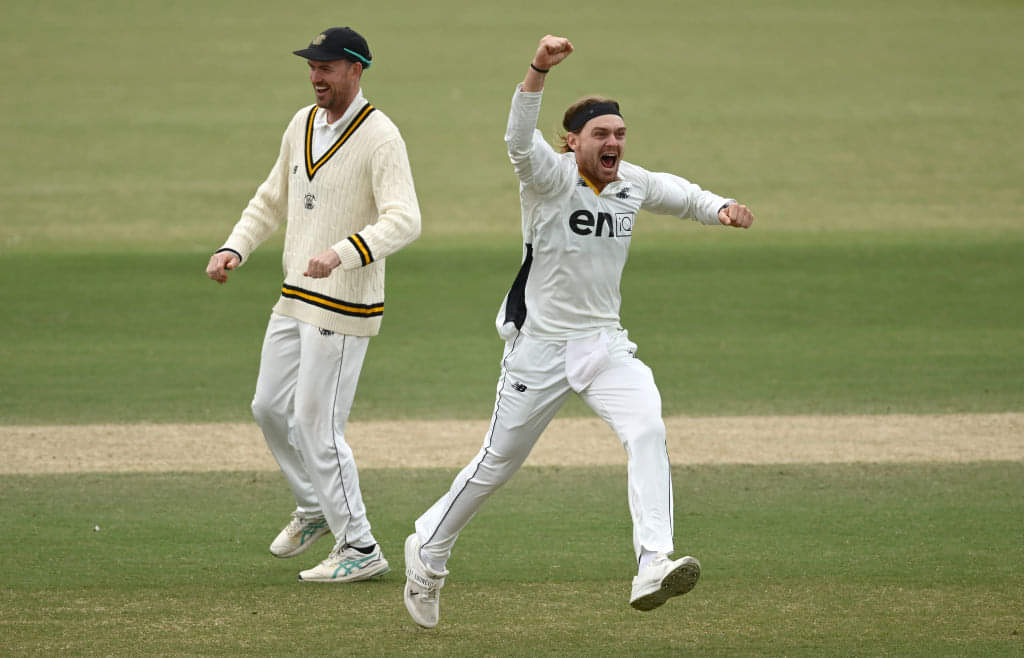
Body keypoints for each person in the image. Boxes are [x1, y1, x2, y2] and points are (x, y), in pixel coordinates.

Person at [402, 34, 754, 628]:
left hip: (603, 345)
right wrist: (538, 70)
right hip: (539, 348)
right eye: (600, 134)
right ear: (573, 142)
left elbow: (683, 195)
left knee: (647, 428)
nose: (613, 143)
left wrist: (721, 208)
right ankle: (429, 549)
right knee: (497, 463)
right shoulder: (548, 178)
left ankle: (653, 563)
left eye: (620, 133)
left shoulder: (631, 182)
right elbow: (518, 142)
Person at [205, 26, 421, 583]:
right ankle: (315, 505)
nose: (315, 76)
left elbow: (405, 220)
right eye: (311, 66)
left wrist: (342, 253)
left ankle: (361, 546)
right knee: (268, 408)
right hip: (295, 296)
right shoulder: (302, 123)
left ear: (355, 70)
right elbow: (271, 198)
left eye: (326, 67)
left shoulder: (381, 136)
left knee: (316, 426)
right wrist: (235, 246)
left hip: (344, 305)